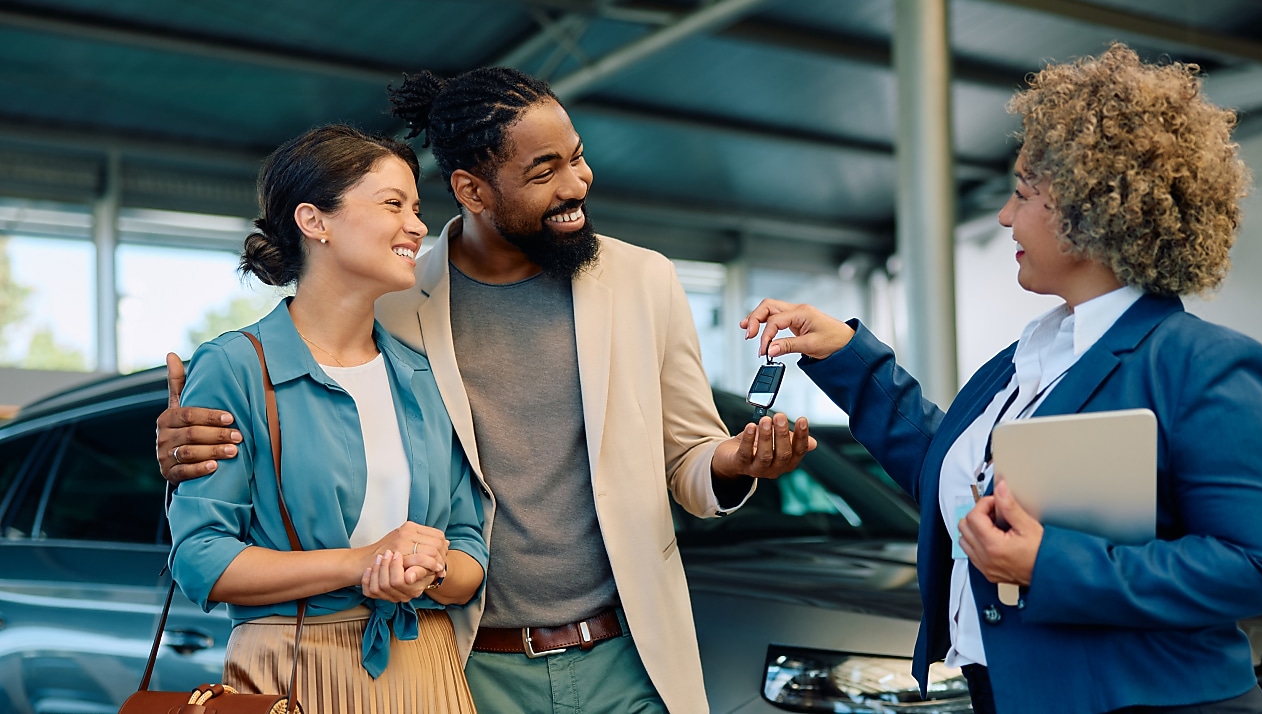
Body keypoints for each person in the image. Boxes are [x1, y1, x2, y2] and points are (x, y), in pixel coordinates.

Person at [158, 67, 814, 714]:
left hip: (628, 657)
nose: (577, 184)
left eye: (577, 159)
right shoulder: (396, 302)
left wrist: (731, 463)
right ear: (473, 190)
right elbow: (300, 383)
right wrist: (181, 439)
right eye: (543, 171)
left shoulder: (643, 282)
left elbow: (687, 459)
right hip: (466, 667)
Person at [742, 43, 1262, 714]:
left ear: (1091, 214)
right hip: (1006, 694)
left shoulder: (1203, 365)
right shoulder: (1030, 355)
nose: (1004, 216)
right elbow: (959, 485)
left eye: (1023, 195)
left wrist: (1047, 566)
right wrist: (845, 355)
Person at [167, 124, 488, 713]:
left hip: (428, 671)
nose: (417, 226)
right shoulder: (236, 367)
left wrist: (427, 570)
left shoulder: (422, 376)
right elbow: (201, 559)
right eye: (393, 204)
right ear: (315, 221)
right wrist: (361, 563)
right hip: (290, 672)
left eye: (417, 207)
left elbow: (469, 549)